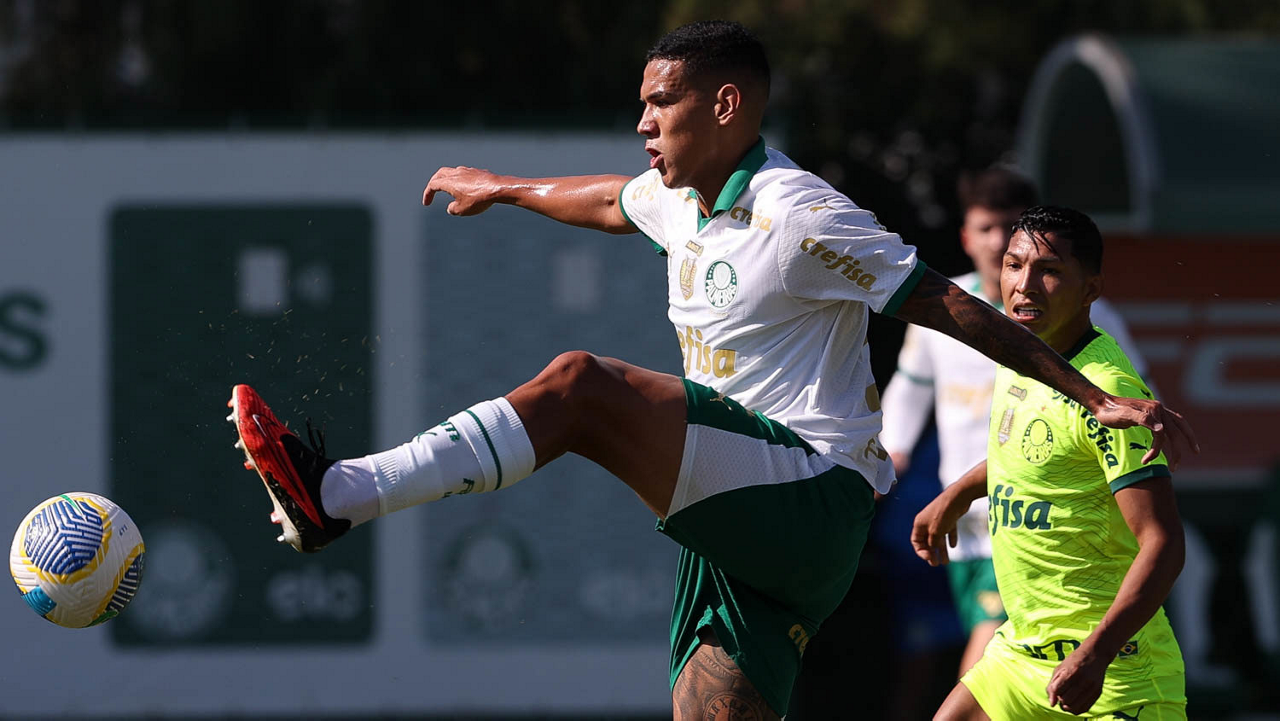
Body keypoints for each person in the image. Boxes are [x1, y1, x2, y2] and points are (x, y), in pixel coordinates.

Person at [226, 21, 1195, 720]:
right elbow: (609, 201)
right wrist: (504, 188)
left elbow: (947, 303)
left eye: (661, 102)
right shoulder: (679, 198)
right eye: (643, 104)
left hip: (809, 492)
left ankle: (337, 494)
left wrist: (1089, 394)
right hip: (744, 519)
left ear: (724, 105)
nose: (642, 122)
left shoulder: (800, 212)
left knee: (580, 387)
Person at [912, 206, 1187, 719]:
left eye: (1050, 271)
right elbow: (1034, 453)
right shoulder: (1019, 355)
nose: (1024, 285)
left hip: (1115, 673)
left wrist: (1097, 654)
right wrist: (958, 493)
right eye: (1014, 265)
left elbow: (1164, 543)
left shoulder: (1111, 393)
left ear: (1091, 289)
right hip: (1018, 659)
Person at [879, 167, 1150, 679]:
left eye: (1009, 227)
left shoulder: (1086, 318)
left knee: (985, 669)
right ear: (966, 237)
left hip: (1046, 518)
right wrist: (894, 451)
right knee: (1026, 674)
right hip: (968, 521)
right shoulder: (943, 310)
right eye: (986, 228)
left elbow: (1131, 401)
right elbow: (909, 391)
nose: (997, 240)